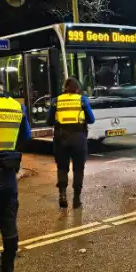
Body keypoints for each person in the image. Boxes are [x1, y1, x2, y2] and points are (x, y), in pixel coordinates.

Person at [0, 68, 31, 272]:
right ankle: (7, 265)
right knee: (8, 218)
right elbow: (25, 137)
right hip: (7, 172)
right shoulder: (16, 107)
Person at [47, 77, 95, 209]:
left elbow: (49, 121)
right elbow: (91, 119)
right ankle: (76, 199)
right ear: (77, 88)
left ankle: (62, 195)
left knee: (62, 168)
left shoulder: (56, 101)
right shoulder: (82, 100)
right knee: (78, 168)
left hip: (61, 138)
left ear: (65, 88)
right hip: (78, 138)